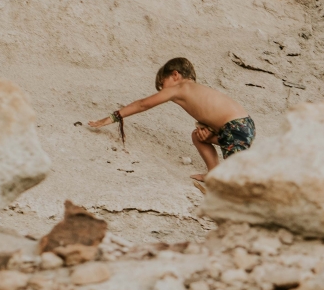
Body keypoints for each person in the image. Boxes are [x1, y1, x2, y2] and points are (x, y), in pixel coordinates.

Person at [89, 57, 255, 191]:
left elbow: (142, 104)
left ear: (175, 75)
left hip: (234, 127)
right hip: (241, 126)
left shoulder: (178, 88)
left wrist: (111, 118)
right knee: (198, 136)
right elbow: (216, 113)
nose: (162, 90)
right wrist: (212, 132)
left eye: (162, 84)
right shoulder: (198, 91)